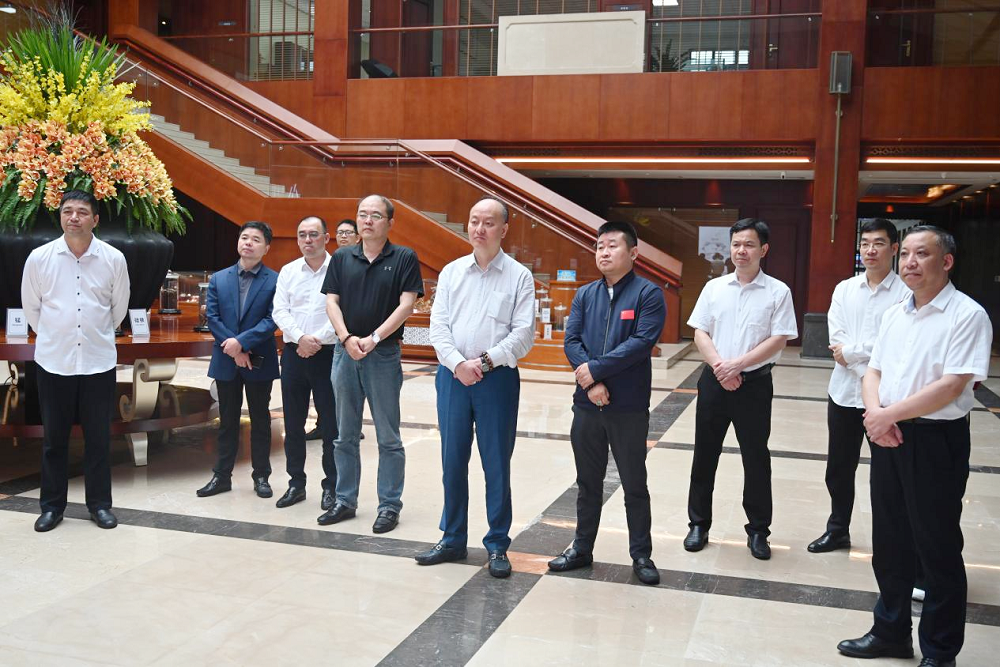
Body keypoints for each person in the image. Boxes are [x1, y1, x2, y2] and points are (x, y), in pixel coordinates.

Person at [837, 226, 992, 667]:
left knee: (937, 546)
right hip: (888, 434)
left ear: (946, 261)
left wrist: (888, 416)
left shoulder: (967, 315)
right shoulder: (895, 313)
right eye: (905, 253)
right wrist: (876, 415)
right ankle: (890, 633)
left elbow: (953, 385)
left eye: (921, 254)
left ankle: (940, 651)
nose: (909, 262)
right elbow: (873, 371)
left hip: (935, 440)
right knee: (889, 541)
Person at [414, 196, 534, 578]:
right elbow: (438, 327)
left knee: (496, 463)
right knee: (452, 460)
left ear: (504, 229)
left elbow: (523, 335)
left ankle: (497, 545)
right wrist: (457, 364)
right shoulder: (452, 273)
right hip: (453, 378)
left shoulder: (519, 276)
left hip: (496, 380)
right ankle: (452, 538)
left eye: (488, 222)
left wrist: (481, 364)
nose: (479, 229)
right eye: (474, 221)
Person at [547, 221, 666, 586]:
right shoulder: (585, 294)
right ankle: (581, 549)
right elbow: (571, 341)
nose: (604, 252)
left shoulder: (648, 294)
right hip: (587, 405)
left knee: (634, 483)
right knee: (587, 482)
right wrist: (592, 382)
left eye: (613, 245)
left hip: (627, 406)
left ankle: (641, 554)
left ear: (633, 253)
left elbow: (641, 343)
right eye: (600, 246)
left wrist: (594, 371)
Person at [683, 218, 797, 560]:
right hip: (714, 381)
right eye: (736, 244)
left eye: (749, 244)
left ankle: (759, 530)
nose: (741, 250)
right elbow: (700, 331)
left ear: (764, 249)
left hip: (754, 385)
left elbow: (779, 338)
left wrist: (739, 365)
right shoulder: (714, 288)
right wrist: (721, 366)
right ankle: (698, 524)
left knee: (756, 457)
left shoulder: (778, 291)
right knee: (705, 454)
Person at [22, 190, 130, 532]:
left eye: (82, 212)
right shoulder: (40, 258)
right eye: (67, 211)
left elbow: (118, 309)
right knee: (54, 440)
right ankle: (52, 507)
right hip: (54, 362)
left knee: (98, 439)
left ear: (94, 219)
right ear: (60, 217)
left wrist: (94, 333)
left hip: (98, 362)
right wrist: (58, 335)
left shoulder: (113, 258)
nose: (74, 217)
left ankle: (100, 506)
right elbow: (32, 308)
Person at [319, 195, 423, 533]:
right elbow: (331, 302)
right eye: (362, 214)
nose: (367, 220)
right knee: (344, 435)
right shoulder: (342, 257)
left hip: (383, 355)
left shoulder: (404, 257)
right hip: (345, 353)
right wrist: (347, 337)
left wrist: (374, 338)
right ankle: (344, 500)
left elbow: (407, 305)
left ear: (390, 223)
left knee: (388, 436)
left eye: (375, 215)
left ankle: (389, 506)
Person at [808, 219, 909, 554]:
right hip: (842, 395)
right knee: (838, 468)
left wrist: (853, 353)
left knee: (887, 473)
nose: (870, 250)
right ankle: (838, 530)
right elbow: (836, 340)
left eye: (878, 243)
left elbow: (895, 345)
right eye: (865, 243)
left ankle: (890, 541)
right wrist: (861, 358)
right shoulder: (845, 289)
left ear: (894, 248)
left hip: (886, 400)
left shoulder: (907, 293)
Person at [196, 221, 280, 499]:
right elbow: (213, 317)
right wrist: (235, 348)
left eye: (256, 239)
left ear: (266, 248)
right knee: (227, 421)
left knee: (260, 419)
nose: (248, 243)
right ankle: (221, 476)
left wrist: (242, 343)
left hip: (259, 359)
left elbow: (272, 319)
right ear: (238, 242)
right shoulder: (219, 279)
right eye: (244, 237)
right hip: (226, 359)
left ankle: (261, 476)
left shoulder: (275, 280)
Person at [272, 216, 338, 510]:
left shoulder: (339, 269)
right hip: (294, 354)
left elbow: (342, 311)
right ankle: (296, 484)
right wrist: (301, 338)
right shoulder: (288, 271)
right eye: (302, 235)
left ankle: (331, 486)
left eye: (314, 234)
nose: (307, 240)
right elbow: (279, 311)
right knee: (293, 422)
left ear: (326, 238)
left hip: (328, 354)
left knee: (331, 426)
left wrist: (316, 341)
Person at [305, 218, 362, 443]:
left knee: (350, 387)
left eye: (348, 232)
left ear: (358, 237)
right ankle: (324, 424)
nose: (343, 236)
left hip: (349, 335)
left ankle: (351, 425)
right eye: (340, 233)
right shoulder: (332, 262)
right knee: (325, 387)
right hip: (324, 336)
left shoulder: (360, 263)